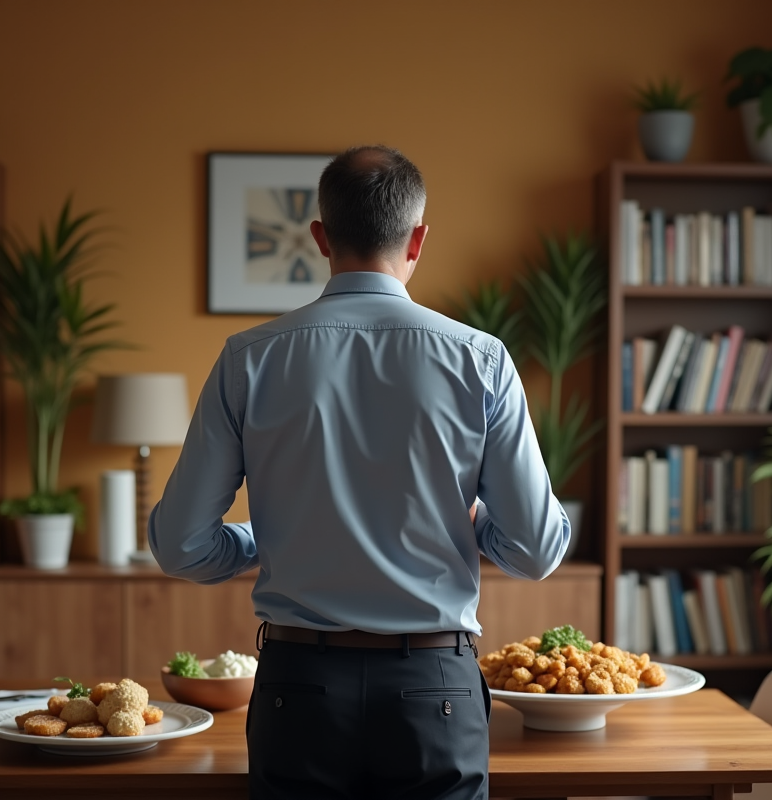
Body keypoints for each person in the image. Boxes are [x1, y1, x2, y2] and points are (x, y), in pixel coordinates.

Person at [150, 144, 568, 800]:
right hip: (437, 689)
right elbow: (537, 550)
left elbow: (180, 547)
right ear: (418, 239)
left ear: (320, 236)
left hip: (298, 688)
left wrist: (268, 541)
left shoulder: (249, 360)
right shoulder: (479, 359)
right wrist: (473, 521)